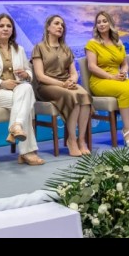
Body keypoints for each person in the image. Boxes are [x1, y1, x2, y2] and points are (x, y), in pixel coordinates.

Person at [0, 14, 44, 165]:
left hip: (18, 90)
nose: (5, 29)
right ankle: (27, 152)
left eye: (8, 26)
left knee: (26, 88)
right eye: (1, 26)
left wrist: (26, 74)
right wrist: (2, 83)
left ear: (13, 30)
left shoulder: (19, 49)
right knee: (26, 103)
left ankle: (16, 127)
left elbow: (29, 71)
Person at [31, 15, 93, 156]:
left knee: (84, 96)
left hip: (66, 84)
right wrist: (62, 84)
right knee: (73, 97)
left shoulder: (66, 49)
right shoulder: (39, 47)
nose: (60, 27)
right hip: (46, 87)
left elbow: (73, 73)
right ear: (48, 27)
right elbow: (40, 76)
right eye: (57, 23)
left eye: (62, 25)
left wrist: (72, 80)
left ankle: (81, 140)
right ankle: (71, 139)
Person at [85, 11, 129, 147]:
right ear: (96, 26)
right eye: (98, 22)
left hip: (117, 78)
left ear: (110, 23)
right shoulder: (92, 43)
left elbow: (124, 64)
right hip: (100, 80)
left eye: (104, 21)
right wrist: (111, 77)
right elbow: (92, 67)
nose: (101, 24)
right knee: (126, 91)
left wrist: (123, 72)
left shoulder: (118, 42)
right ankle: (127, 130)